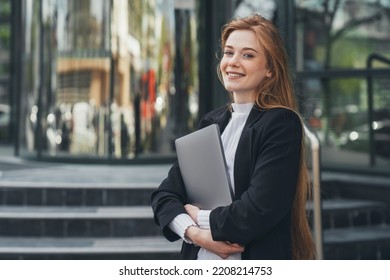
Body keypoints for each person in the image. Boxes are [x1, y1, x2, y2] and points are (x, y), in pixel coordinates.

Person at [151, 14, 315, 260]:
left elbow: (258, 210)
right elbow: (164, 196)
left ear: (270, 69)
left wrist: (198, 217)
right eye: (229, 53)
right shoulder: (211, 122)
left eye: (247, 55)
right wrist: (195, 234)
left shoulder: (281, 123)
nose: (233, 62)